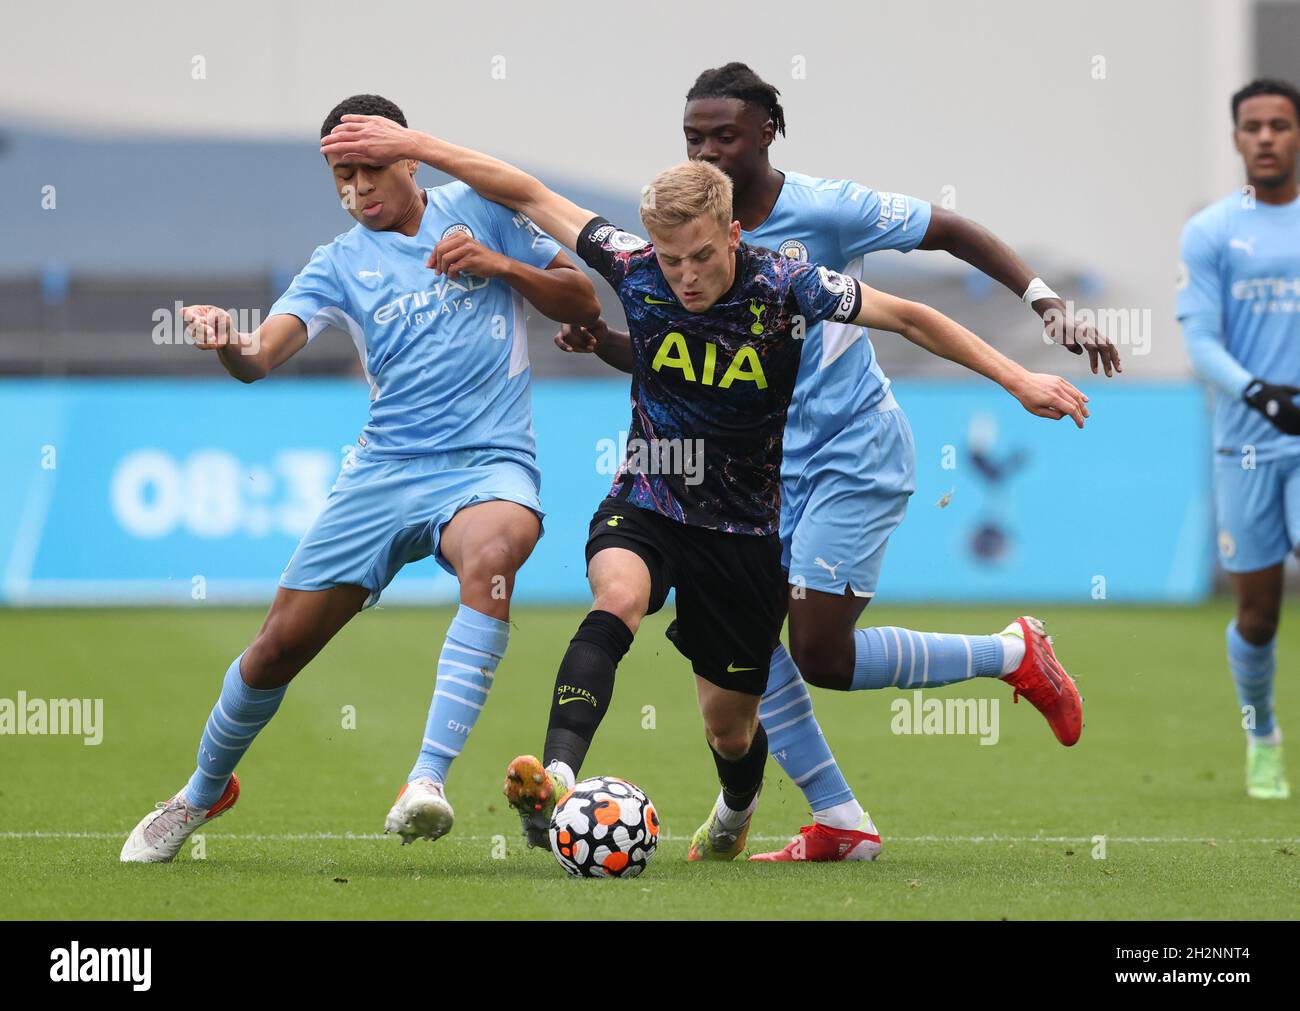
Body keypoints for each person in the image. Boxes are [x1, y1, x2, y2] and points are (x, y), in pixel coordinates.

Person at [319, 113, 1088, 861]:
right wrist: (415, 145)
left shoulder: (789, 284)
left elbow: (913, 316)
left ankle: (738, 808)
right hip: (649, 494)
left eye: (697, 259)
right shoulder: (630, 262)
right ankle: (556, 776)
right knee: (615, 596)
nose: (682, 277)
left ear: (732, 237)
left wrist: (1018, 378)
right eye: (669, 258)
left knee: (731, 727)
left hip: (744, 527)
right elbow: (524, 191)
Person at [555, 63, 1109, 860]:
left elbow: (949, 232)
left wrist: (1043, 302)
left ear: (766, 132)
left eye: (725, 135)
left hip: (851, 451)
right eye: (694, 135)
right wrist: (608, 342)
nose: (707, 150)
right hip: (754, 474)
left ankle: (1014, 652)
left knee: (820, 651)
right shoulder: (688, 236)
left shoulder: (828, 209)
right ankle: (840, 820)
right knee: (752, 632)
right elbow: (692, 361)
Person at [120, 94, 601, 863]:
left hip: (489, 462)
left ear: (409, 156)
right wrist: (226, 343)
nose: (355, 189)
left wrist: (499, 264)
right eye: (341, 176)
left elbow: (580, 296)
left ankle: (427, 781)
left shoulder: (481, 207)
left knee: (493, 557)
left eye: (368, 168)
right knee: (275, 649)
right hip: (383, 472)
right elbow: (260, 358)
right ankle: (201, 792)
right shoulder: (337, 262)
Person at [1178, 77, 1300, 800]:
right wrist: (1259, 392)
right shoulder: (1214, 230)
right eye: (1252, 126)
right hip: (1247, 443)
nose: (1265, 137)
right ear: (1235, 139)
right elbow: (1200, 341)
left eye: (1279, 125)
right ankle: (1262, 737)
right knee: (1257, 615)